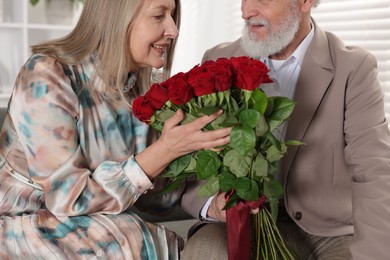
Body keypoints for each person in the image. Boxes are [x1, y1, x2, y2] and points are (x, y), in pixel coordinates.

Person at [0, 0, 232, 259]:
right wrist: (164, 151)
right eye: (158, 16)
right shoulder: (45, 75)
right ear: (119, 19)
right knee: (130, 239)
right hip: (20, 222)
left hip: (91, 226)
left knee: (134, 236)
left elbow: (158, 194)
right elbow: (68, 198)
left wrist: (214, 204)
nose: (173, 30)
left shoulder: (139, 92)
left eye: (173, 16)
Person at [180, 0, 390, 259]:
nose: (246, 12)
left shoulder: (354, 69)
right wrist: (212, 205)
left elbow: (374, 170)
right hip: (237, 222)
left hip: (327, 231)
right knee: (204, 253)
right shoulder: (218, 60)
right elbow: (195, 158)